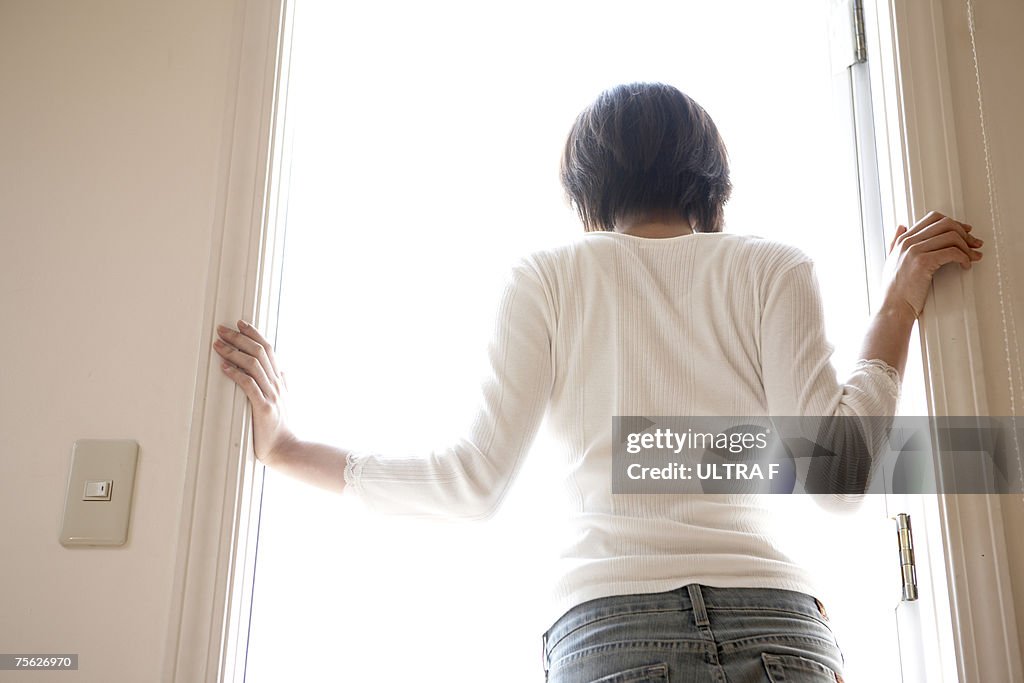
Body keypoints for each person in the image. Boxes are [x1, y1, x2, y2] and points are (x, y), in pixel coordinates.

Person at [213, 82, 983, 682]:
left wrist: (283, 448)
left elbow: (470, 483)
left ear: (587, 190)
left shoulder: (547, 278)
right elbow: (839, 476)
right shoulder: (771, 267)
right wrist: (899, 299)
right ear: (711, 178)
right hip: (776, 623)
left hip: (608, 631)